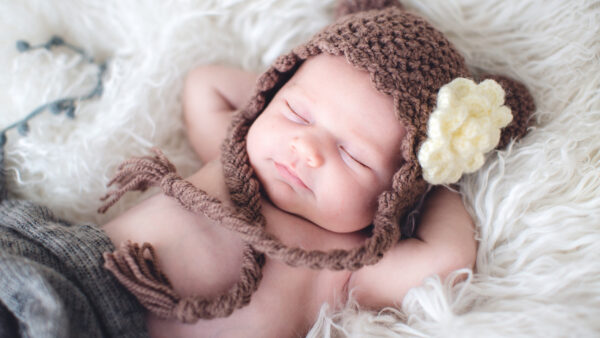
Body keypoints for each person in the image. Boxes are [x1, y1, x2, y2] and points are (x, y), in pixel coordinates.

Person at [0, 1, 534, 337]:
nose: (307, 148)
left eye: (354, 155)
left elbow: (444, 256)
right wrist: (275, 95)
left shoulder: (346, 266)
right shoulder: (236, 158)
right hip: (54, 258)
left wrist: (439, 170)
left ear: (395, 196)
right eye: (298, 112)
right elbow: (203, 83)